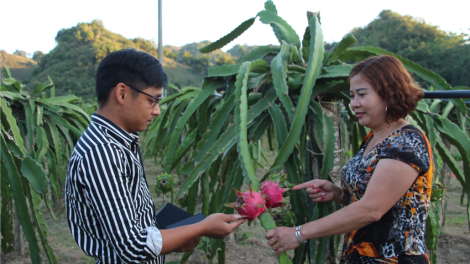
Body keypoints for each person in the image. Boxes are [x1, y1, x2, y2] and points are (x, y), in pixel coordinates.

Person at [65, 49, 245, 264]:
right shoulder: (102, 152)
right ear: (122, 93)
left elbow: (132, 225)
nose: (157, 110)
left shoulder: (121, 141)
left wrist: (177, 237)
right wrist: (202, 227)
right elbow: (133, 247)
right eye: (153, 100)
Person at [266, 55, 433, 263]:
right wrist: (339, 194)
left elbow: (372, 209)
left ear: (390, 93)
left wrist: (299, 233)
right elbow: (385, 198)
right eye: (352, 95)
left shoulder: (406, 143)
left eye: (361, 94)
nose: (354, 104)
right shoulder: (376, 137)